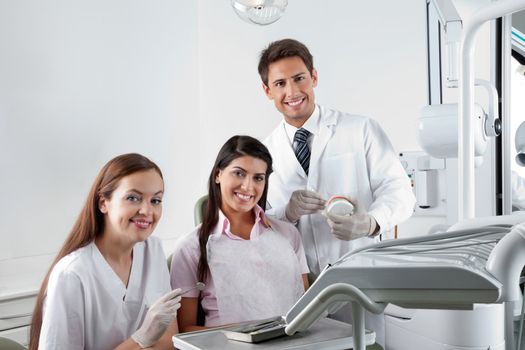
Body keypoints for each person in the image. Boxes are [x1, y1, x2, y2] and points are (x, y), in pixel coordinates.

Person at [258, 38, 416, 346]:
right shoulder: (265, 152)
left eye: (299, 78)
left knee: (365, 344)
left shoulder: (360, 129)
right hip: (298, 292)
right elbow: (262, 225)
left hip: (360, 280)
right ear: (268, 91)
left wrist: (369, 222)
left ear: (314, 77)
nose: (292, 92)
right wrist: (286, 214)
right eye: (280, 83)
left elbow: (400, 192)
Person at [29, 153, 181, 350]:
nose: (146, 210)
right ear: (103, 203)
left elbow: (169, 339)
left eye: (156, 200)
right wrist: (141, 338)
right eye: (133, 198)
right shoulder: (71, 275)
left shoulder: (153, 251)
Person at [170, 135, 309, 332]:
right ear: (218, 174)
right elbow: (185, 330)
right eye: (239, 173)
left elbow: (306, 310)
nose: (248, 187)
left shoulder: (288, 235)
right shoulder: (191, 247)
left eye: (258, 178)